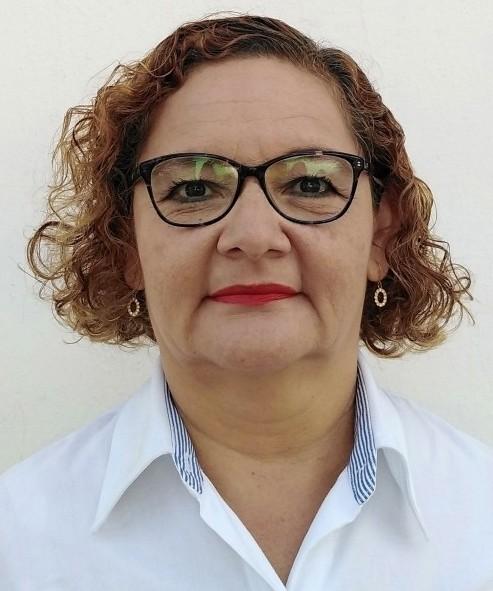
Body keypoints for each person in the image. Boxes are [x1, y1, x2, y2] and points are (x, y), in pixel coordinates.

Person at [1, 13, 492, 591]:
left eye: (310, 184)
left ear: (380, 236)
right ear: (127, 244)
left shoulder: (480, 511)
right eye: (194, 188)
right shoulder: (17, 539)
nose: (254, 236)